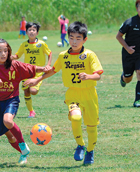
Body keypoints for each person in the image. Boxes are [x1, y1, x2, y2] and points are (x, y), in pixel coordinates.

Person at [24, 21, 103, 165]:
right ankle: (80, 145)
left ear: (85, 39)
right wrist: (37, 80)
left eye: (78, 38)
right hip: (72, 93)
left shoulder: (90, 55)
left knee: (91, 127)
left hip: (90, 94)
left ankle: (90, 151)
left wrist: (89, 76)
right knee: (76, 118)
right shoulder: (63, 56)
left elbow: (98, 75)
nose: (74, 41)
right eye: (71, 37)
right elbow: (53, 70)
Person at [0, 38, 49, 165]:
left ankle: (22, 144)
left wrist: (45, 69)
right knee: (9, 135)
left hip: (11, 99)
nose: (3, 54)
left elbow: (32, 68)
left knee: (8, 120)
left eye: (6, 51)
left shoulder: (15, 65)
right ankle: (23, 153)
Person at [11, 22, 52, 118]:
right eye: (29, 30)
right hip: (26, 71)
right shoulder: (24, 45)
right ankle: (31, 112)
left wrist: (48, 65)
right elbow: (17, 55)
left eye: (34, 30)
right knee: (26, 91)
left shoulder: (41, 44)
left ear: (37, 33)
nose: (32, 32)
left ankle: (30, 87)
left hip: (38, 72)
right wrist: (11, 56)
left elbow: (49, 53)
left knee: (33, 91)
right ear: (26, 32)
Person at [116, 0, 140, 107]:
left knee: (139, 73)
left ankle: (137, 100)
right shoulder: (129, 22)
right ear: (137, 8)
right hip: (129, 54)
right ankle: (123, 78)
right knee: (128, 78)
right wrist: (128, 48)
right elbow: (118, 36)